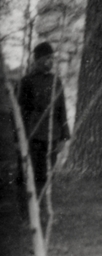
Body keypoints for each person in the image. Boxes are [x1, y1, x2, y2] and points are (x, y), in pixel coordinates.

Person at [16, 43, 70, 200]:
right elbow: (19, 112)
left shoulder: (56, 81)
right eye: (47, 58)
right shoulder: (26, 82)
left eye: (52, 58)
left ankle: (41, 205)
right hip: (32, 134)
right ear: (37, 59)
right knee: (28, 173)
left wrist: (64, 137)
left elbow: (62, 110)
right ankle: (26, 208)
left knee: (47, 173)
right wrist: (18, 139)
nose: (50, 61)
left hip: (52, 134)